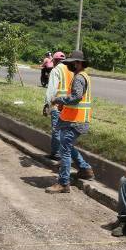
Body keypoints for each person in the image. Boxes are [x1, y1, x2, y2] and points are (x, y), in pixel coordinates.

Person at [46, 50, 94, 193]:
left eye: (71, 63)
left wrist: (59, 99)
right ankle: (85, 169)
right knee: (67, 145)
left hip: (76, 121)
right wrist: (64, 104)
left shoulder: (79, 78)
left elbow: (76, 97)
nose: (69, 65)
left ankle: (63, 183)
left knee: (64, 149)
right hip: (75, 120)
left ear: (78, 63)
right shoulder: (82, 75)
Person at [42, 51, 72, 160]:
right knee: (66, 131)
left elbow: (52, 90)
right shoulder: (71, 70)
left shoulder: (56, 70)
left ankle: (56, 154)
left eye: (53, 61)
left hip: (57, 105)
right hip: (69, 106)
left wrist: (47, 104)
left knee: (56, 130)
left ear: (55, 61)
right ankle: (62, 153)